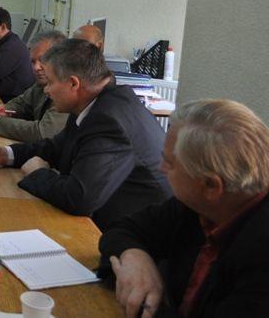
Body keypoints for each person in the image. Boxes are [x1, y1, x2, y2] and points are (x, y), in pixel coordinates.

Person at [0, 39, 171, 229]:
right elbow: (56, 146)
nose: (46, 90)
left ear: (73, 83)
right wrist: (5, 154)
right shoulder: (96, 101)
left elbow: (80, 197)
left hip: (136, 238)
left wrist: (38, 172)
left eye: (50, 82)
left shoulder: (109, 119)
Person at [99, 99, 269, 317]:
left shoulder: (260, 253)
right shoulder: (198, 206)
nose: (161, 168)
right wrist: (135, 257)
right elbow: (122, 229)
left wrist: (146, 304)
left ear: (211, 186)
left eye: (169, 163)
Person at [0, 31, 69, 142]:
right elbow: (22, 104)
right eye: (33, 61)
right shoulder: (40, 84)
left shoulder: (68, 89)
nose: (36, 68)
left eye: (43, 60)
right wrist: (1, 109)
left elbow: (42, 132)